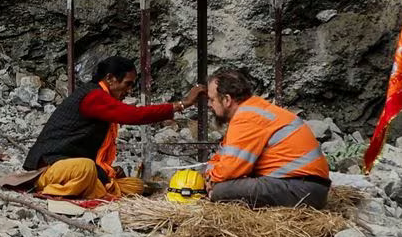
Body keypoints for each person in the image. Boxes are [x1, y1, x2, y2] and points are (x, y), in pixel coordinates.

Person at [23, 56, 206, 199]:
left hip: (70, 168)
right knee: (86, 168)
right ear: (110, 79)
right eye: (127, 84)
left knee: (136, 186)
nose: (129, 91)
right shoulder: (94, 96)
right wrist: (182, 104)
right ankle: (59, 189)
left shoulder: (101, 97)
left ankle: (97, 187)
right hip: (51, 168)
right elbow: (134, 115)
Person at [205, 67, 330, 209]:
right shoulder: (253, 110)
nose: (209, 105)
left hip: (303, 189)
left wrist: (212, 180)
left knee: (222, 191)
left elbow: (229, 170)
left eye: (211, 100)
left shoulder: (246, 118)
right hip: (306, 186)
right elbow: (223, 156)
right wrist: (212, 174)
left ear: (227, 99)